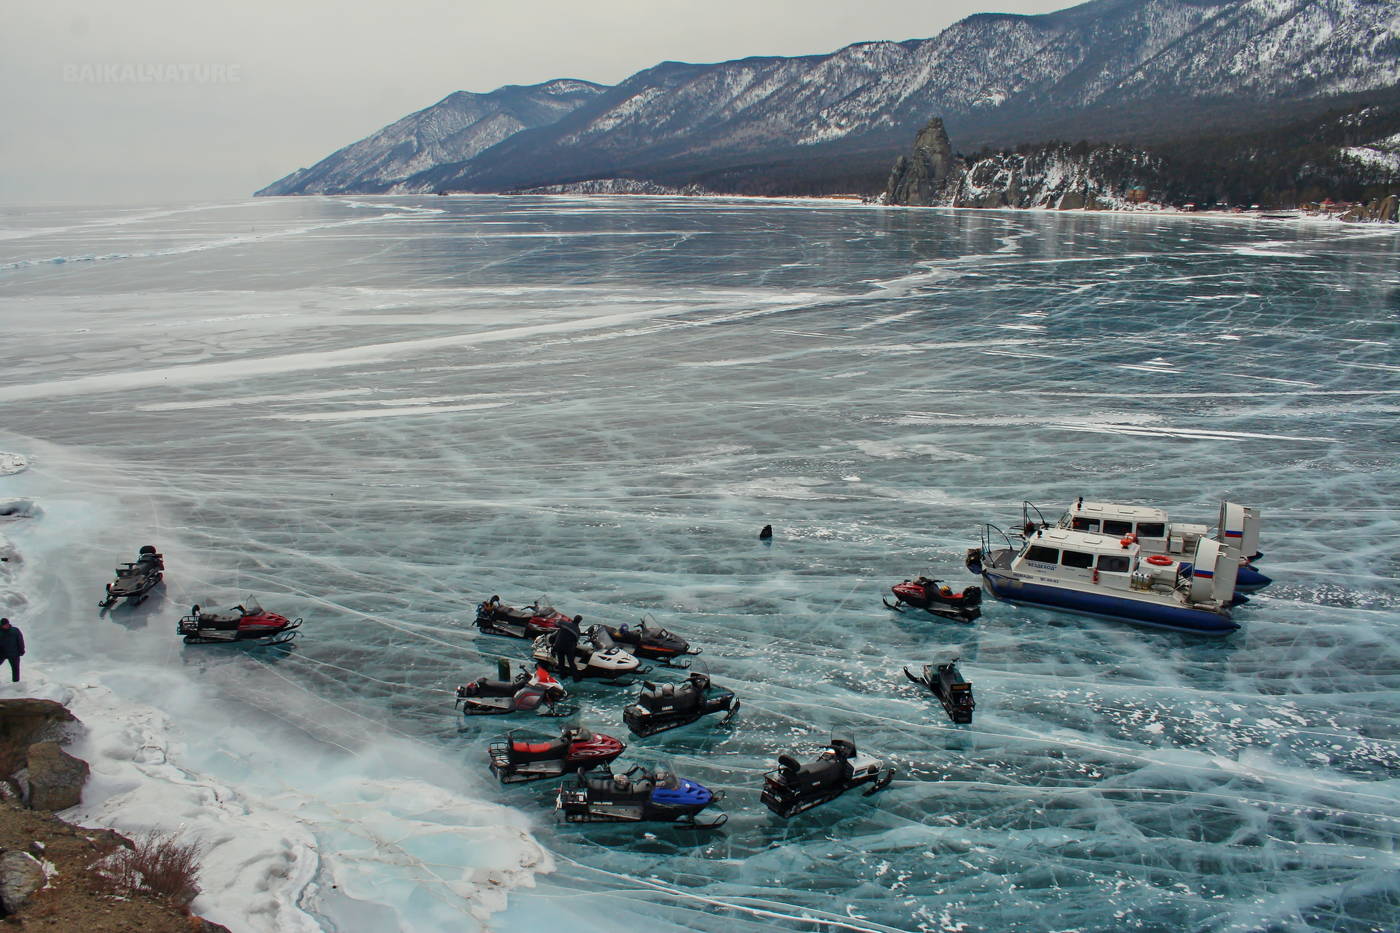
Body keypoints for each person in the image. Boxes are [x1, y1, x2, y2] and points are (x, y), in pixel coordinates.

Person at [0, 618, 24, 683]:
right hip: (2, 653)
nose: (6, 626)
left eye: (7, 624)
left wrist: (22, 650)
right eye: (4, 625)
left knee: (15, 669)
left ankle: (16, 683)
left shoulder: (15, 631)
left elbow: (20, 640)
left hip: (14, 653)